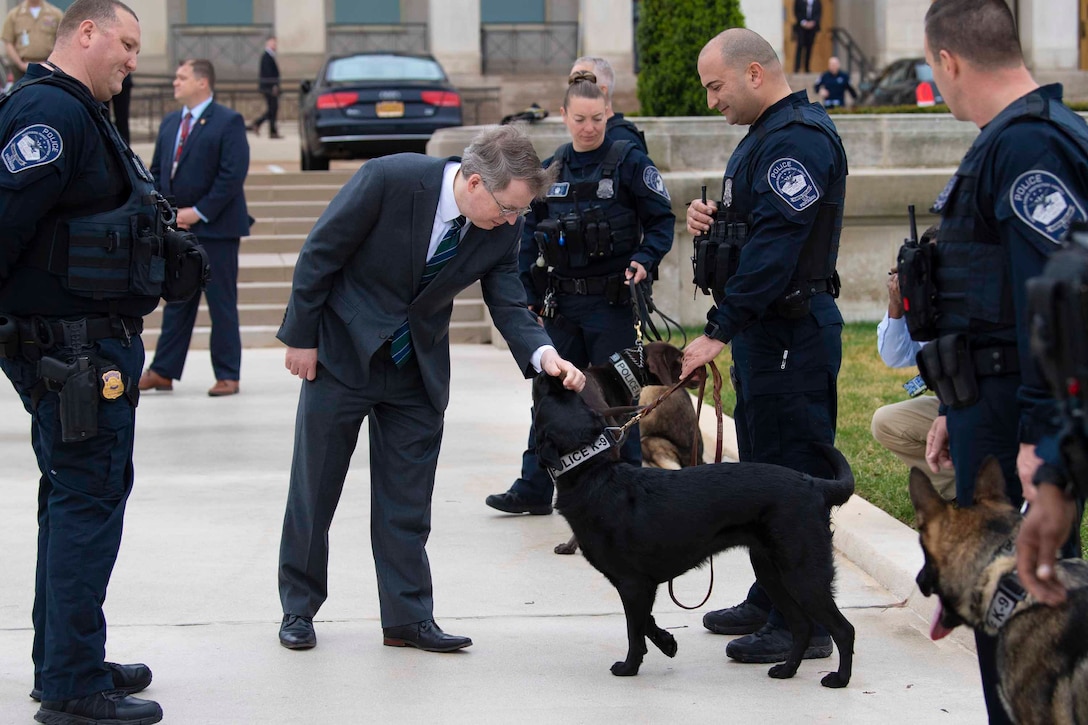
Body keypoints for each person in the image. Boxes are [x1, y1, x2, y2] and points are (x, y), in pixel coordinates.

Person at [276, 125, 586, 652]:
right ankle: (299, 610)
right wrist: (301, 338)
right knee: (316, 488)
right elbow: (320, 252)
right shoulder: (389, 179)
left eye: (519, 212)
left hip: (415, 369)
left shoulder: (503, 225)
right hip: (343, 352)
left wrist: (543, 353)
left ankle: (407, 617)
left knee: (407, 500)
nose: (513, 222)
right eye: (507, 208)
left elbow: (508, 301)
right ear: (472, 182)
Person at [911, 1, 1088, 721]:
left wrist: (1038, 443)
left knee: (1028, 630)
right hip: (993, 404)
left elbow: (1057, 308)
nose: (936, 81)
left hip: (1021, 422)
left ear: (949, 61)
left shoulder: (1028, 149)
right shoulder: (1010, 141)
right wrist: (959, 405)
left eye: (932, 69)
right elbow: (993, 300)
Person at [0, 1, 165, 722]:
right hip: (70, 349)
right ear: (86, 33)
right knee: (86, 502)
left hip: (81, 342)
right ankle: (71, 686)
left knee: (74, 500)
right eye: (127, 43)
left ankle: (67, 658)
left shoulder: (78, 109)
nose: (134, 59)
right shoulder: (50, 115)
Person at [681, 27, 846, 665]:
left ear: (754, 74)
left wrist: (718, 329)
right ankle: (770, 592)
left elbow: (778, 253)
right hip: (767, 336)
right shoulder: (765, 138)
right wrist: (717, 221)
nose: (711, 100)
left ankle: (803, 621)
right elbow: (761, 230)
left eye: (715, 86)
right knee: (764, 471)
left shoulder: (797, 140)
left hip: (790, 335)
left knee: (791, 482)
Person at [484, 75, 675, 515]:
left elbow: (662, 222)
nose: (588, 127)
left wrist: (645, 258)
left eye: (596, 118)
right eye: (579, 119)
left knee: (617, 399)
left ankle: (629, 492)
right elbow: (527, 233)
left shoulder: (630, 162)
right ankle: (534, 487)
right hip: (562, 305)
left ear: (608, 113)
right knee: (549, 395)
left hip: (612, 304)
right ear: (565, 117)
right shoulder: (552, 169)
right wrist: (528, 292)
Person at [139, 59, 250, 397]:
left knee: (221, 303)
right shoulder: (171, 122)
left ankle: (228, 374)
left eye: (181, 77)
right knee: (177, 300)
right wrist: (168, 214)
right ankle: (163, 371)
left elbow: (232, 175)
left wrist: (198, 212)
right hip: (178, 230)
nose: (175, 82)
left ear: (202, 83)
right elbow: (158, 170)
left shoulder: (228, 121)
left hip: (216, 229)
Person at [871, 233, 956, 501]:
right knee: (886, 422)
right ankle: (961, 489)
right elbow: (895, 357)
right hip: (951, 403)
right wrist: (898, 304)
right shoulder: (923, 302)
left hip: (994, 407)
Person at [568, 56, 647, 154]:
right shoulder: (568, 150)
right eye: (572, 83)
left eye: (581, 84)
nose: (573, 90)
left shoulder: (624, 140)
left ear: (602, 91)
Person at [1, 0, 63, 84]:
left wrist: (51, 63)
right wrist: (21, 64)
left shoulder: (55, 14)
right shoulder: (14, 15)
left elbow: (62, 40)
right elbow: (8, 42)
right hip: (22, 71)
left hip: (48, 68)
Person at [248, 35, 280, 139]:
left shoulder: (270, 56)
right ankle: (263, 126)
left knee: (272, 109)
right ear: (268, 43)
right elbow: (268, 73)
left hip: (269, 87)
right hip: (269, 87)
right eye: (272, 43)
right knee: (272, 109)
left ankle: (262, 126)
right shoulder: (266, 56)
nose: (274, 45)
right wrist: (273, 86)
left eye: (275, 43)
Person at [793, 0, 821, 73]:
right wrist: (804, 22)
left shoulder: (817, 2)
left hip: (812, 28)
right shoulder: (799, 1)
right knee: (800, 46)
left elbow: (818, 14)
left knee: (809, 47)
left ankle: (807, 67)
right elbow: (796, 12)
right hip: (801, 27)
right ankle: (797, 67)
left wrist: (813, 22)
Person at [110, 71, 132, 142]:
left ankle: (124, 149)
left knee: (122, 120)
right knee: (102, 117)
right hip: (104, 77)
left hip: (123, 79)